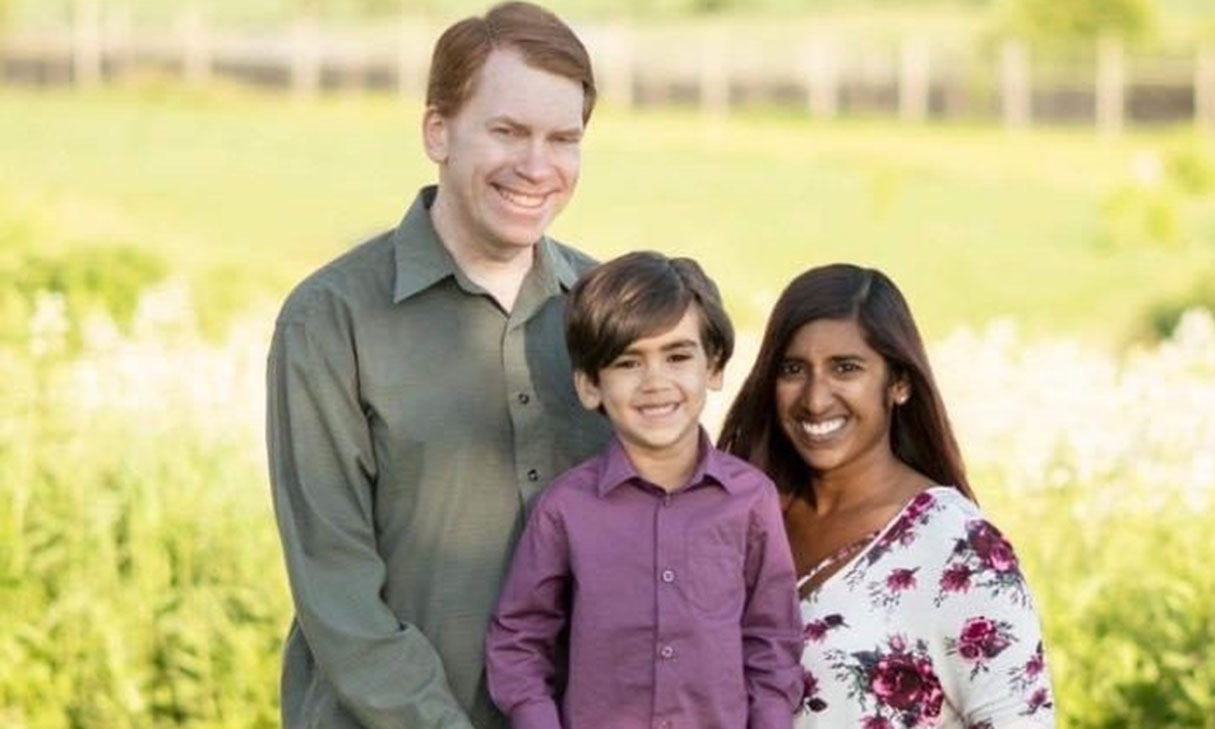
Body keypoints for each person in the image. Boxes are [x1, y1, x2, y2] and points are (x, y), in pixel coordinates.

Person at [265, 4, 611, 728]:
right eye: (507, 131)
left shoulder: (613, 313)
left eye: (563, 139)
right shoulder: (330, 320)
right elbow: (340, 598)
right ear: (438, 132)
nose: (537, 166)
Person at [719, 265, 1056, 729]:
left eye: (846, 368)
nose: (816, 399)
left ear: (899, 383)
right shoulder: (740, 519)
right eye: (793, 369)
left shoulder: (958, 547)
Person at [485, 252, 804, 729]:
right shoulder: (565, 509)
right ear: (590, 386)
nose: (656, 382)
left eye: (677, 356)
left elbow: (772, 642)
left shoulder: (750, 501)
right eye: (628, 362)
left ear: (713, 367)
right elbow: (520, 639)